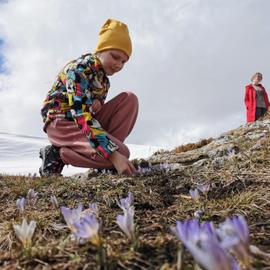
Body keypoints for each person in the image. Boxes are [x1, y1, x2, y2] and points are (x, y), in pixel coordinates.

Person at [39, 18, 138, 177]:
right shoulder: (79, 69)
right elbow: (81, 115)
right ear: (101, 50)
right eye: (115, 56)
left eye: (124, 61)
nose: (119, 64)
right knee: (122, 153)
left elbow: (93, 118)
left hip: (84, 127)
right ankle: (58, 154)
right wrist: (114, 155)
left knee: (129, 99)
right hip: (61, 122)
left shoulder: (104, 82)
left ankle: (107, 162)